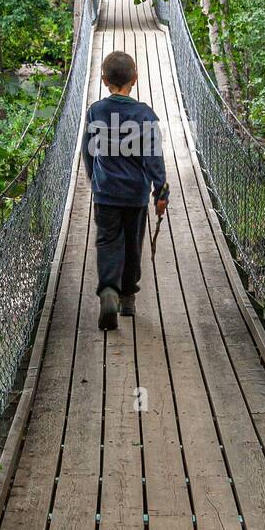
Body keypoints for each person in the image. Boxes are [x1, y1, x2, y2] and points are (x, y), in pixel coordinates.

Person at [81, 49, 168, 330]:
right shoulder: (145, 115)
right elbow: (154, 156)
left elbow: (88, 150)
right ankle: (128, 296)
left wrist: (94, 178)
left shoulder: (96, 110)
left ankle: (109, 291)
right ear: (136, 78)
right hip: (135, 194)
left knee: (107, 241)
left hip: (106, 192)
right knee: (133, 243)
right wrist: (160, 192)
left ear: (105, 80)